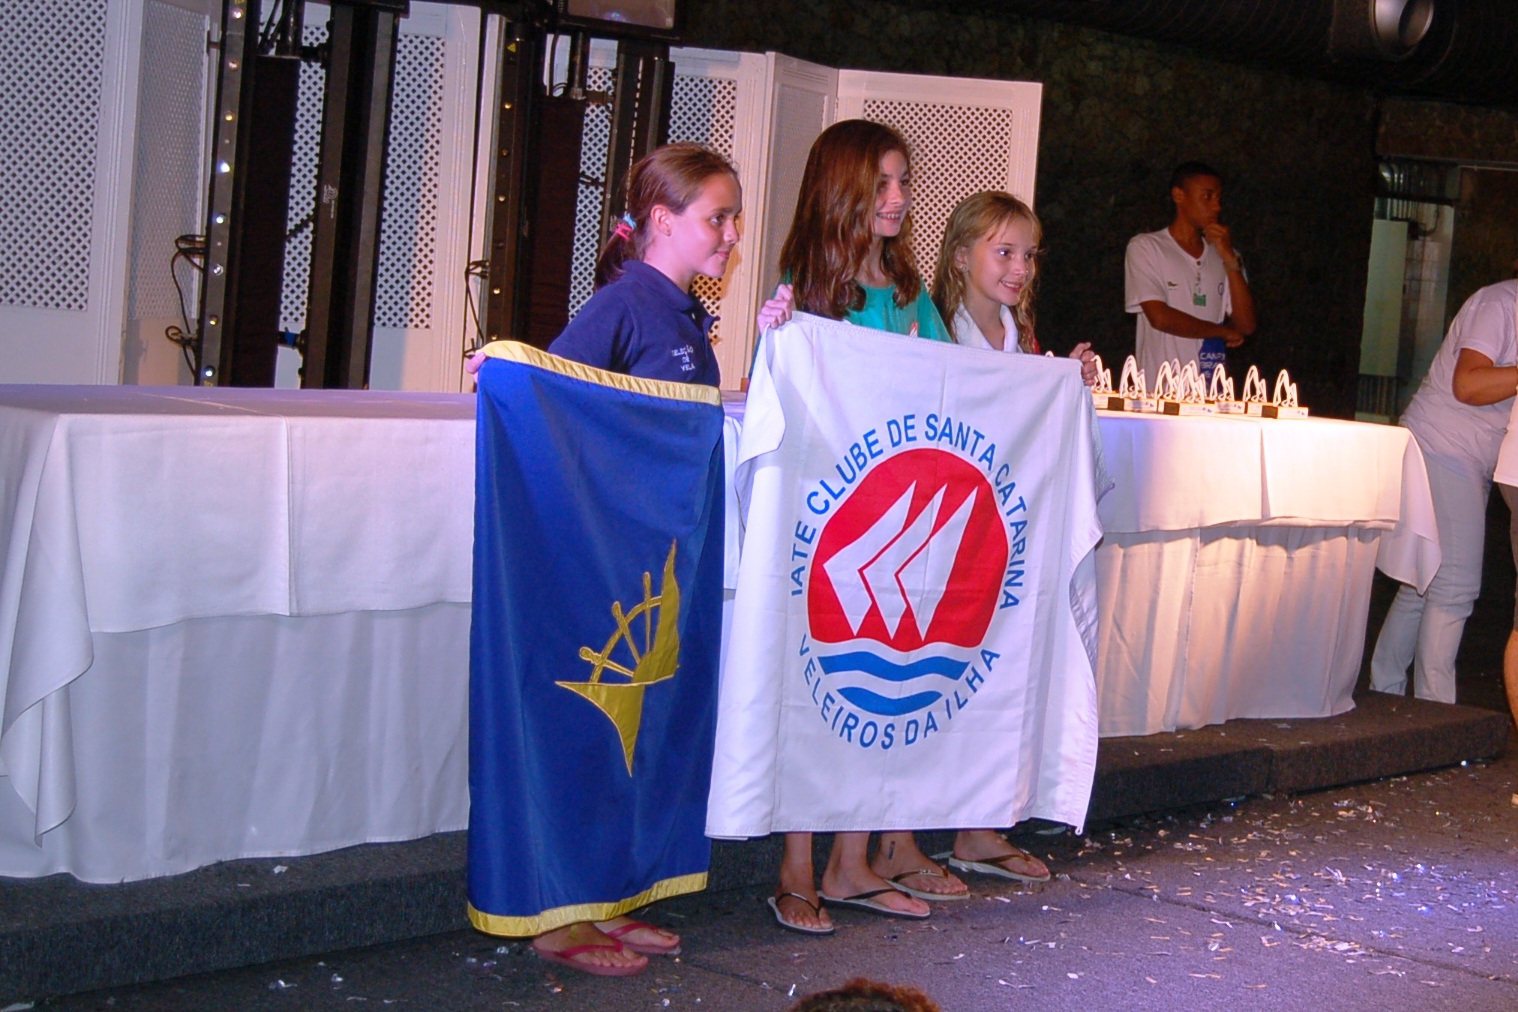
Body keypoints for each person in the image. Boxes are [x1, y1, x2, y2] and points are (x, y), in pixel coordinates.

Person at [502, 142, 737, 975]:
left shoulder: (678, 312)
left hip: (651, 566)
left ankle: (605, 896)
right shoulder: (624, 305)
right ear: (663, 222)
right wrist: (503, 371)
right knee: (592, 732)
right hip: (609, 574)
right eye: (718, 218)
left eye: (734, 219)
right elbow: (554, 392)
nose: (731, 234)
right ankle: (558, 914)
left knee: (635, 735)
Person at [754, 119, 965, 936]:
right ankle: (796, 869)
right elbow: (783, 402)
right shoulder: (804, 286)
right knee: (816, 692)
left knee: (878, 690)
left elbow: (957, 389)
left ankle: (851, 861)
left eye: (904, 182)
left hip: (896, 523)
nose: (899, 199)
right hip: (828, 524)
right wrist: (778, 338)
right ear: (842, 187)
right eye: (882, 184)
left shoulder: (908, 289)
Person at [1371, 280, 1518, 704]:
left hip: (1464, 456)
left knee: (1428, 575)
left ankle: (1386, 689)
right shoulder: (1500, 303)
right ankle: (1435, 711)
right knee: (1455, 585)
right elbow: (1467, 384)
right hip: (1441, 447)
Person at [932, 189, 1098, 384]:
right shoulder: (934, 334)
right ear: (961, 256)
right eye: (1005, 253)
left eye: (1028, 255)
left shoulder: (1025, 340)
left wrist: (1069, 379)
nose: (1022, 269)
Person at [1124, 162, 1256, 382]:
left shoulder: (1226, 254)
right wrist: (1221, 331)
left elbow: (1246, 325)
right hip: (1160, 389)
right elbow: (1160, 318)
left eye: (1219, 198)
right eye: (1207, 197)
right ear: (1179, 196)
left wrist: (1230, 261)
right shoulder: (1146, 247)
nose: (1216, 207)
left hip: (1210, 388)